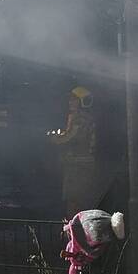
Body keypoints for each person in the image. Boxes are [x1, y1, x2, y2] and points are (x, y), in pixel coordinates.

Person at [49, 86, 98, 216]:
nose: (70, 102)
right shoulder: (77, 117)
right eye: (70, 99)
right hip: (76, 163)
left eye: (74, 100)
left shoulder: (81, 118)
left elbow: (71, 137)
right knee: (75, 199)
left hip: (80, 164)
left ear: (82, 101)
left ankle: (75, 229)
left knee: (75, 200)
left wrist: (55, 138)